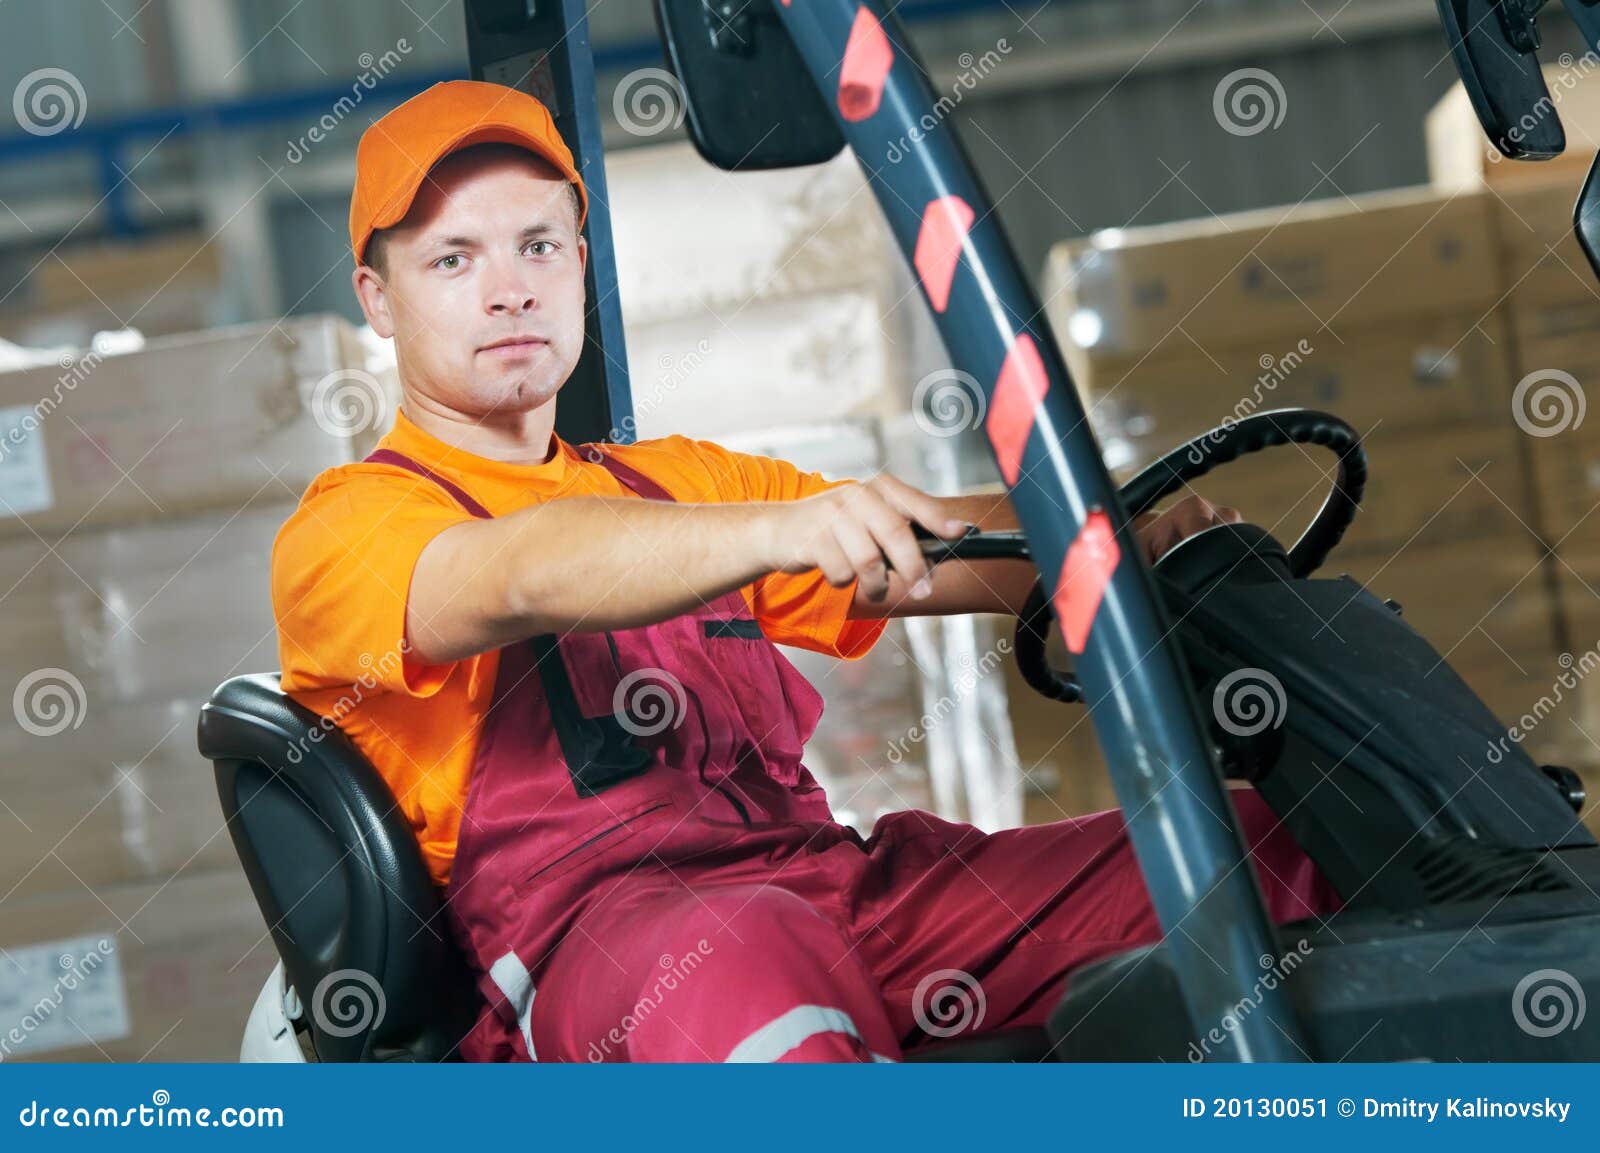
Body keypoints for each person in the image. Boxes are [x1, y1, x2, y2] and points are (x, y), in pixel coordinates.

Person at [273, 80, 1335, 1063]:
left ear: (581, 265)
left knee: (1259, 842)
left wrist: (1128, 543)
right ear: (377, 297)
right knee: (753, 949)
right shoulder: (349, 528)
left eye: (538, 246)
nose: (509, 290)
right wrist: (775, 532)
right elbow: (512, 574)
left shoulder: (677, 482)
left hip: (838, 895)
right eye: (453, 260)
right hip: (601, 953)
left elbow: (923, 551)